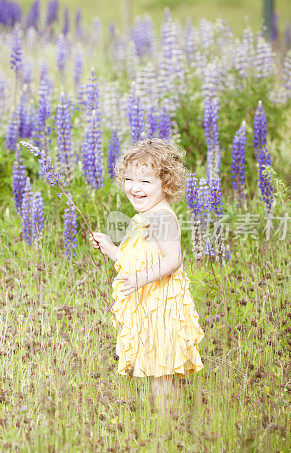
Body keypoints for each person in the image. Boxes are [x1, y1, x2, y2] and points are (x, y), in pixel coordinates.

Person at [89, 138, 205, 418]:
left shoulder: (161, 218)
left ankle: (167, 426)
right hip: (150, 304)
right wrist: (112, 250)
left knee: (162, 371)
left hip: (162, 305)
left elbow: (173, 259)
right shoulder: (146, 216)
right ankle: (166, 421)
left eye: (145, 181)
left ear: (166, 184)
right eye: (129, 179)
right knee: (157, 369)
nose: (134, 187)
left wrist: (140, 279)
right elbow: (140, 258)